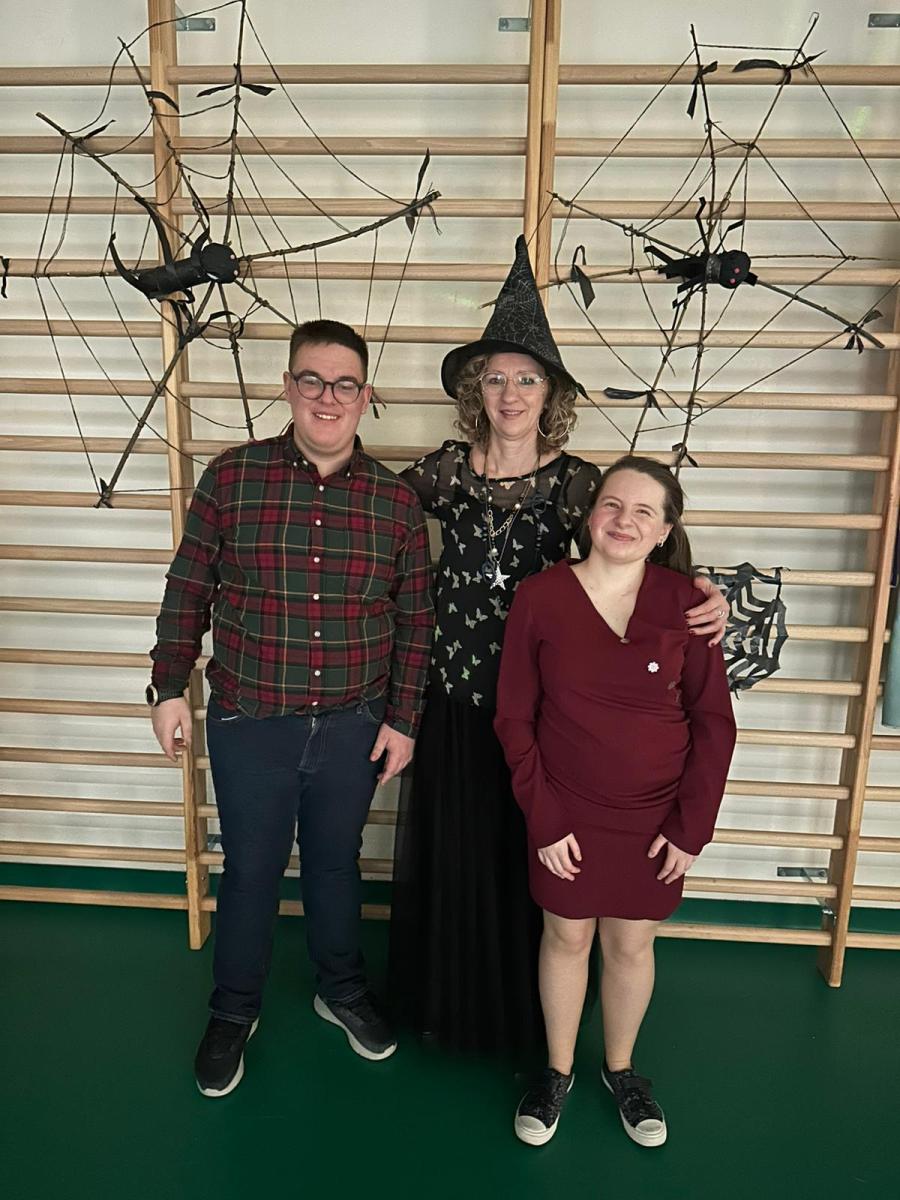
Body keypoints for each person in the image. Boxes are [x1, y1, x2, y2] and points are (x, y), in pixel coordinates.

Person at [387, 237, 729, 1056]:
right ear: (476, 391)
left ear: (551, 394)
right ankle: (457, 1009)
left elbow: (637, 544)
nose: (510, 394)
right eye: (495, 378)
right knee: (462, 856)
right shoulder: (442, 471)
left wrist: (704, 589)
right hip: (457, 696)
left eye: (527, 379)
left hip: (547, 714)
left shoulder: (578, 484)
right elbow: (375, 517)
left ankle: (534, 1026)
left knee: (538, 867)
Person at [146, 319, 434, 1097]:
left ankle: (341, 989)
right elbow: (188, 589)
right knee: (251, 870)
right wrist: (168, 687)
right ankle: (233, 1010)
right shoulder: (231, 479)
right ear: (288, 387)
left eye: (344, 384)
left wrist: (404, 719)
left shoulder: (396, 502)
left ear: (365, 396)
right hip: (250, 720)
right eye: (312, 380)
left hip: (354, 723)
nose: (327, 397)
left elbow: (417, 620)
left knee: (336, 865)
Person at [494, 456, 737, 1147]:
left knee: (631, 944)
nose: (624, 521)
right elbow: (514, 718)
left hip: (657, 820)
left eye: (643, 512)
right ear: (590, 514)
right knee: (566, 937)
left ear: (664, 530)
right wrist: (544, 820)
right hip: (564, 812)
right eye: (611, 505)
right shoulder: (540, 596)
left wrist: (691, 829)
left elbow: (714, 724)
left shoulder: (689, 605)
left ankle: (622, 1070)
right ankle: (557, 1072)